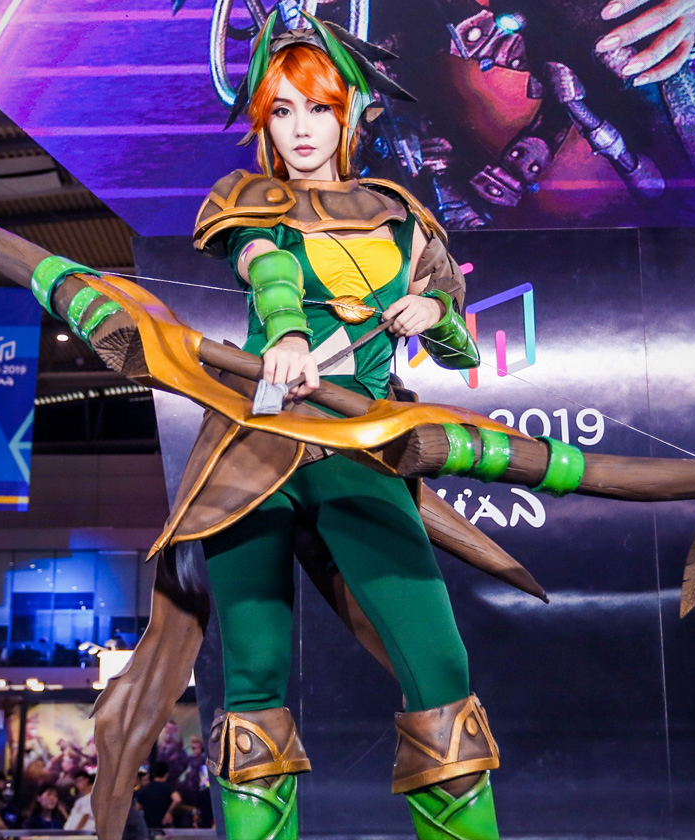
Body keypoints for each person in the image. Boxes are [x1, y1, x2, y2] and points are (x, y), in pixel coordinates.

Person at [168, 14, 492, 840]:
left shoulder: (400, 215)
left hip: (359, 444)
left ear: (352, 113)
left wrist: (433, 313)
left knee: (439, 663)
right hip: (253, 448)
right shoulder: (249, 200)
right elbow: (266, 264)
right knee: (255, 669)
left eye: (318, 108)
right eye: (281, 111)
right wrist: (283, 332)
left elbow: (456, 335)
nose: (301, 129)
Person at [134, 761, 181, 829]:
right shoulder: (168, 788)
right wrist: (169, 812)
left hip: (148, 827)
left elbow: (137, 808)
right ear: (166, 775)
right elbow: (177, 799)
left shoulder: (145, 789)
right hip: (164, 826)